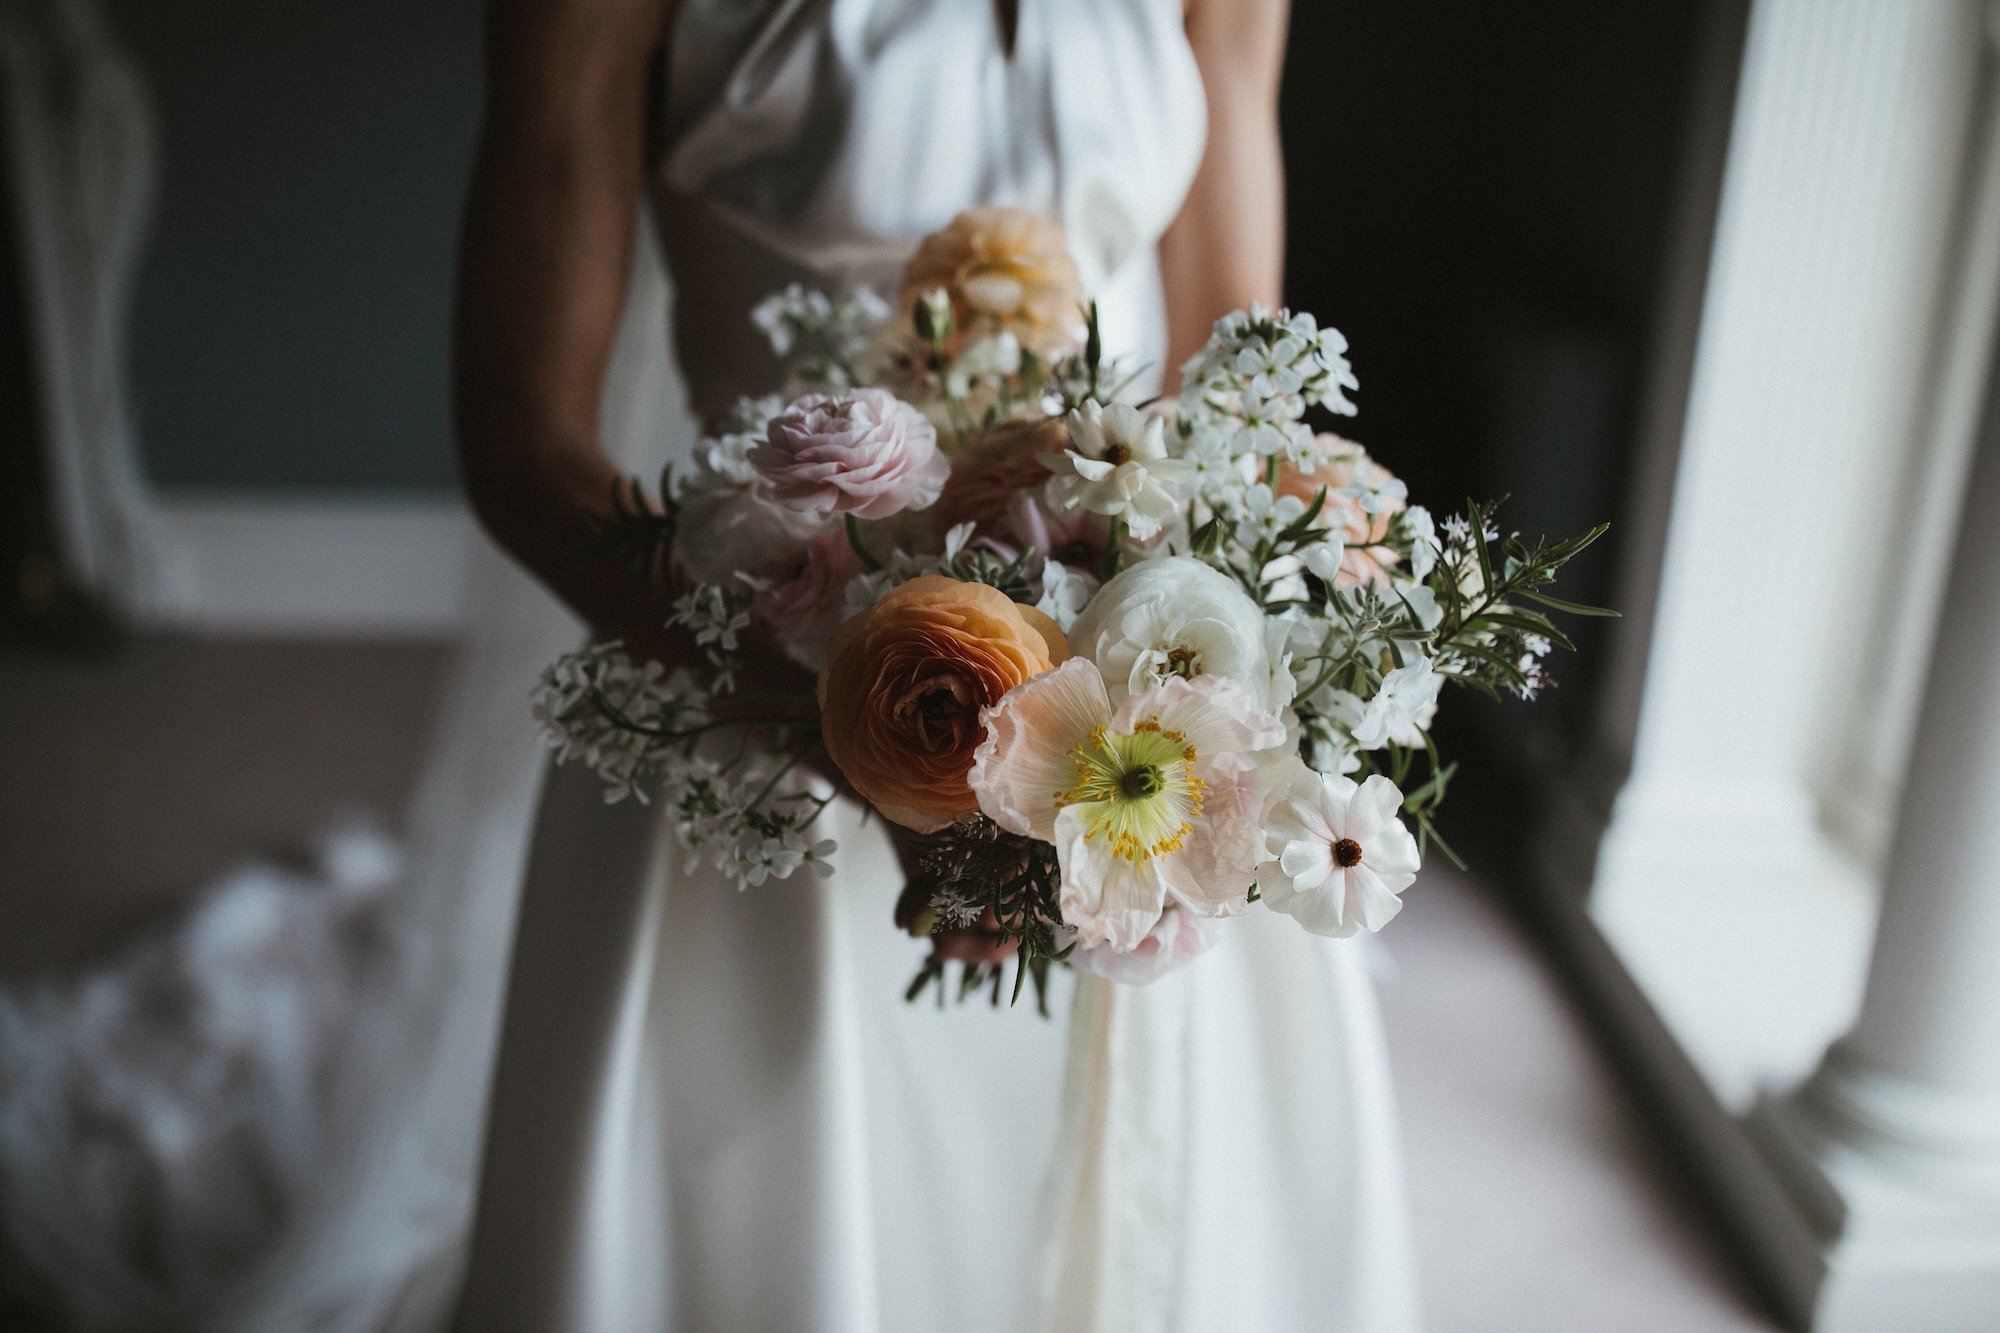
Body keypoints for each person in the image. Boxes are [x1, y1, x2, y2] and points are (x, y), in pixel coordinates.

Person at [452, 2, 1419, 1329]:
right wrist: (853, 707)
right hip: (762, 690)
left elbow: (1235, 362)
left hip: (1143, 684)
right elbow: (523, 439)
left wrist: (1260, 630)